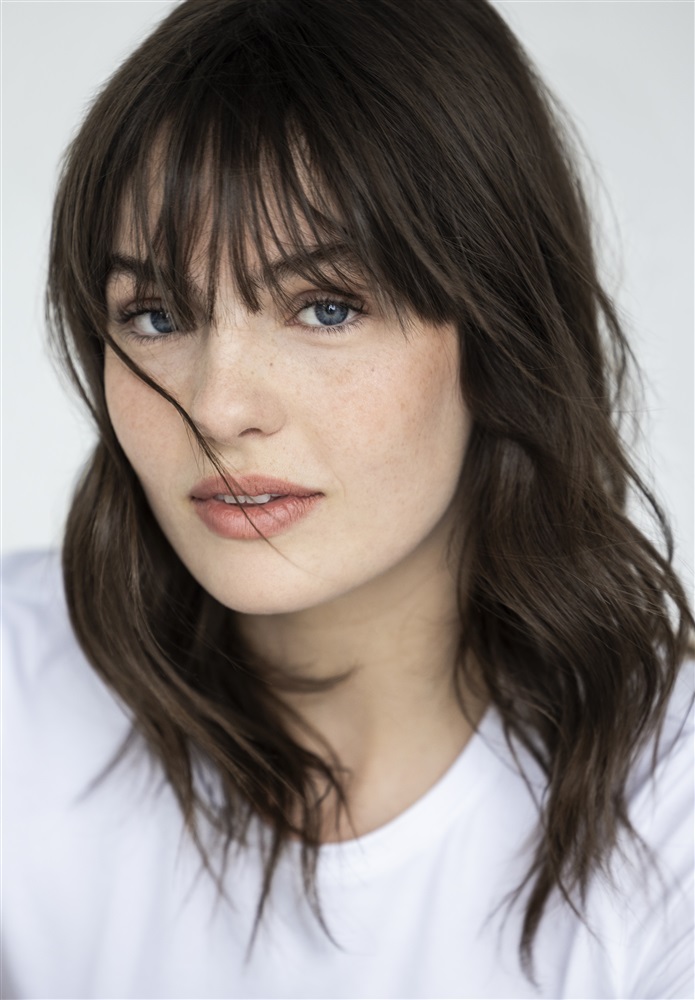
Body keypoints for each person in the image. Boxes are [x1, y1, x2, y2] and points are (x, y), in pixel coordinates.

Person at [2, 1, 693, 997]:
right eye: (154, 314)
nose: (217, 406)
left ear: (497, 337)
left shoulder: (667, 814)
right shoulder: (18, 688)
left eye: (325, 307)